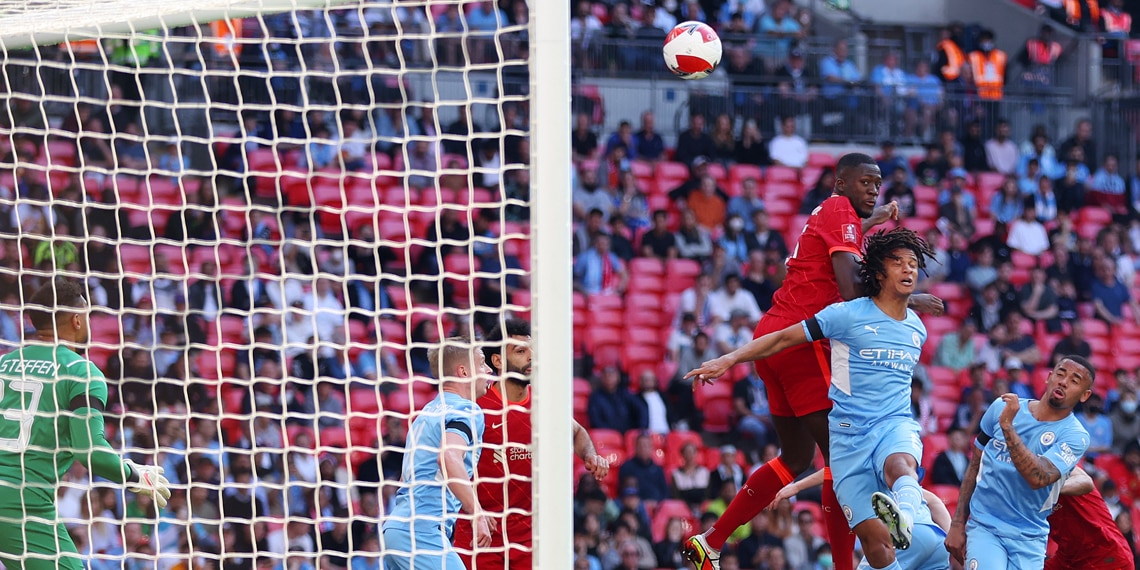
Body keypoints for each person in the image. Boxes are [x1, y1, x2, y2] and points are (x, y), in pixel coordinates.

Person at [681, 155, 943, 570]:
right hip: (803, 341)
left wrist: (875, 218)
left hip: (774, 337)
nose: (874, 189)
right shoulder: (840, 210)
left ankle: (710, 542)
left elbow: (844, 245)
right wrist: (911, 299)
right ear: (841, 183)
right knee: (841, 458)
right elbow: (851, 286)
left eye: (878, 184)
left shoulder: (836, 213)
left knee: (794, 458)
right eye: (865, 182)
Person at [0, 277, 170, 569]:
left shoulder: (4, 363)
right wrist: (134, 475)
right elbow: (90, 452)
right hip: (21, 500)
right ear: (77, 320)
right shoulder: (82, 372)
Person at [453, 319, 609, 570]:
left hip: (529, 534)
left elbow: (578, 432)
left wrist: (591, 456)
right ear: (498, 361)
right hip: (479, 530)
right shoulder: (476, 406)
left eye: (532, 351)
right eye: (520, 351)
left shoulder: (543, 403)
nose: (530, 358)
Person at [944, 356, 1095, 569]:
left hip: (1030, 538)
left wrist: (1007, 426)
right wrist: (958, 523)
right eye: (1060, 374)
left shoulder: (1075, 436)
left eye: (1074, 380)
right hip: (985, 527)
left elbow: (1039, 477)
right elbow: (974, 465)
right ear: (1049, 377)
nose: (1064, 381)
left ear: (1084, 395)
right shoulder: (1000, 407)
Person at [381, 337, 494, 570]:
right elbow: (448, 457)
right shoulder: (466, 409)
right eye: (482, 363)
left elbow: (406, 479)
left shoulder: (426, 413)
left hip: (396, 529)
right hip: (422, 532)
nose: (489, 369)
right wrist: (478, 514)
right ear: (463, 372)